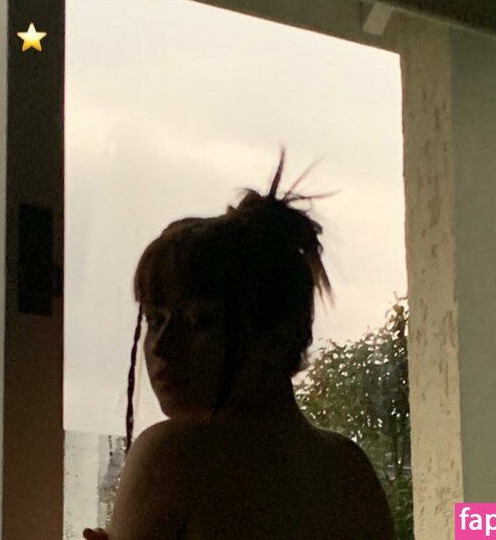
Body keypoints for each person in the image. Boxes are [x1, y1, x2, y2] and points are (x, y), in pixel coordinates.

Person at [82, 150, 396, 540]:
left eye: (201, 321)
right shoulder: (350, 470)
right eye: (155, 320)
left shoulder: (173, 455)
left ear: (275, 337)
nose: (162, 348)